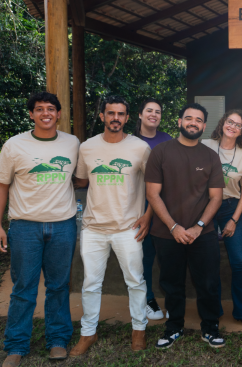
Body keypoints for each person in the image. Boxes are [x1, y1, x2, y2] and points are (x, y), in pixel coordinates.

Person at [0, 92, 80, 367]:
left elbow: (81, 177)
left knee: (58, 286)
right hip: (25, 227)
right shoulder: (14, 145)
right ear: (31, 114)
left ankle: (58, 340)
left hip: (63, 225)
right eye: (39, 109)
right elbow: (0, 185)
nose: (45, 113)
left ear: (59, 114)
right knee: (23, 288)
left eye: (51, 109)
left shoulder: (72, 143)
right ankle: (16, 346)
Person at [70, 96, 152, 356]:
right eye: (110, 113)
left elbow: (154, 185)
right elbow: (82, 180)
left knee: (135, 281)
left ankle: (139, 330)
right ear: (102, 116)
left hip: (128, 228)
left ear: (127, 118)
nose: (115, 118)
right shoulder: (87, 147)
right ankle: (88, 333)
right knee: (90, 284)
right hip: (93, 228)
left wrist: (148, 215)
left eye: (121, 114)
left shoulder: (140, 148)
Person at [145, 103, 227, 349]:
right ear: (179, 121)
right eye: (189, 118)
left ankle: (210, 328)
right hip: (166, 233)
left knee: (208, 283)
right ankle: (174, 328)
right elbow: (152, 194)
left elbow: (216, 197)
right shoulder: (160, 152)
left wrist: (199, 226)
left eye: (199, 120)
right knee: (171, 283)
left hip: (203, 233)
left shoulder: (210, 156)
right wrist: (174, 227)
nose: (193, 122)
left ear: (204, 126)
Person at [202, 110, 242, 329]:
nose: (232, 126)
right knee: (209, 261)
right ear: (223, 123)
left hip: (230, 208)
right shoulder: (205, 145)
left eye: (238, 125)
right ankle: (213, 311)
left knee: (239, 262)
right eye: (230, 122)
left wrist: (234, 219)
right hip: (205, 207)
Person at [134, 98, 173, 321]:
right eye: (149, 110)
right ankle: (147, 299)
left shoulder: (168, 141)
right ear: (140, 114)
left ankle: (167, 300)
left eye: (157, 111)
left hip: (161, 206)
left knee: (161, 256)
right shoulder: (129, 140)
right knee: (143, 257)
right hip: (134, 206)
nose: (153, 115)